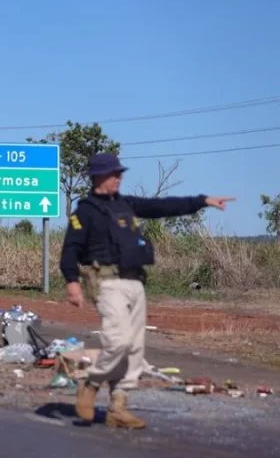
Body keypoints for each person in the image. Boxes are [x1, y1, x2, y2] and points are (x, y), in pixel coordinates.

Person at [60, 152, 233, 430]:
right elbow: (70, 249)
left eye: (120, 173)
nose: (120, 177)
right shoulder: (85, 212)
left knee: (134, 347)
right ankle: (91, 383)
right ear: (98, 177)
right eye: (114, 173)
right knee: (118, 342)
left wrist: (202, 201)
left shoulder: (126, 204)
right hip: (107, 283)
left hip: (135, 282)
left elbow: (162, 206)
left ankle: (118, 406)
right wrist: (72, 281)